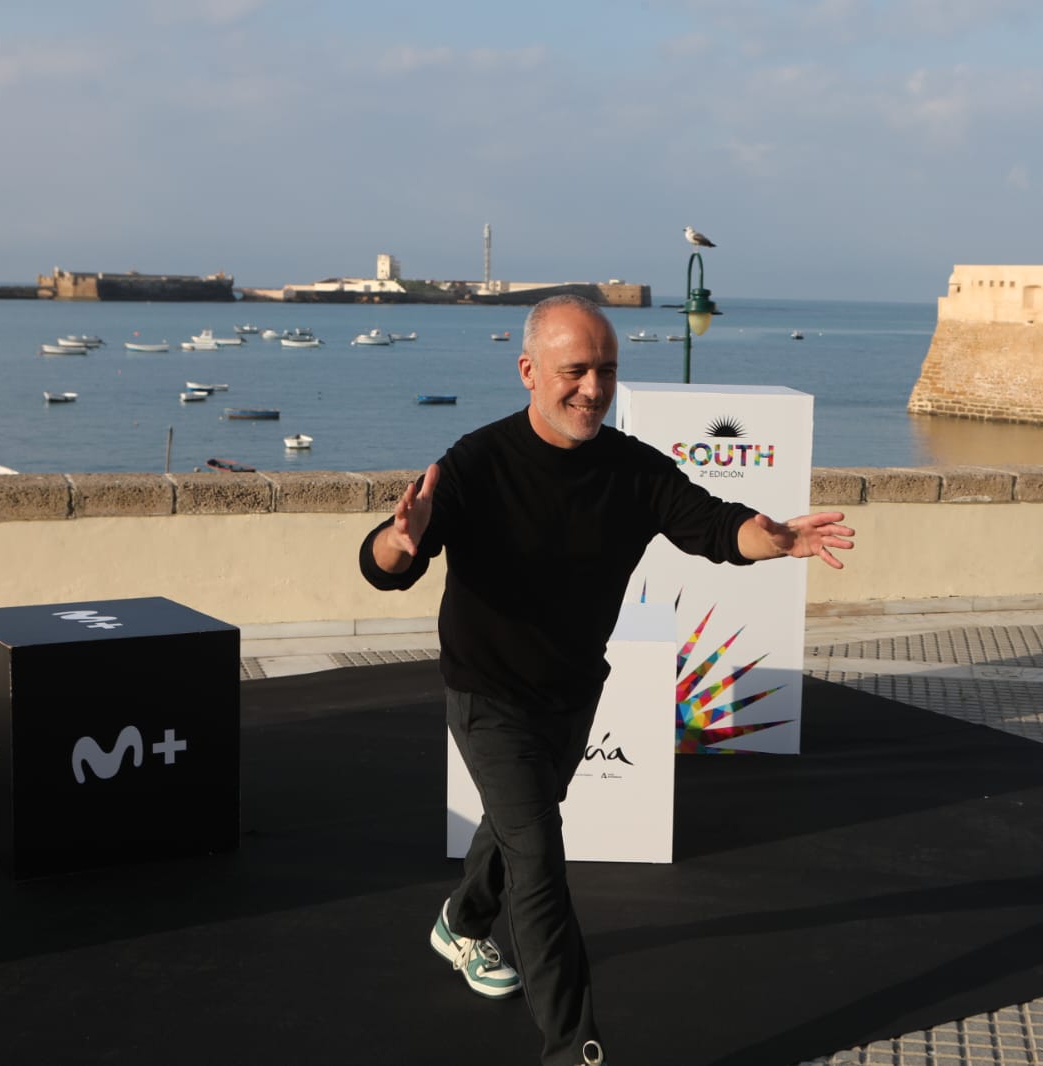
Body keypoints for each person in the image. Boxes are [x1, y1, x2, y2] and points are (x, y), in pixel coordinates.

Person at [358, 294, 853, 1066]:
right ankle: (573, 1049)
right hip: (487, 693)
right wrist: (400, 543)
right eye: (574, 370)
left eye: (607, 371)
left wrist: (777, 537)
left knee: (518, 823)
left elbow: (715, 525)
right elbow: (385, 564)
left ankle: (459, 921)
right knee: (540, 860)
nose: (592, 388)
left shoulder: (630, 469)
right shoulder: (476, 463)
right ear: (528, 372)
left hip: (572, 689)